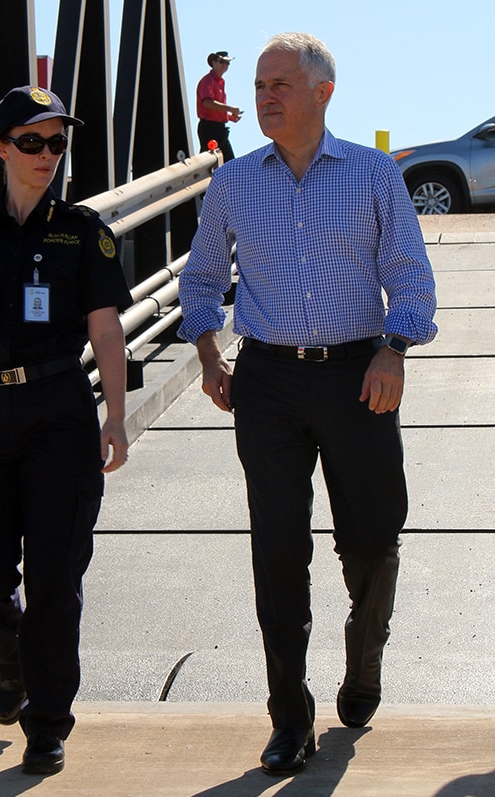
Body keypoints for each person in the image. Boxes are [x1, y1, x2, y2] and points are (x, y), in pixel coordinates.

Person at [179, 33, 437, 777]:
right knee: (277, 549)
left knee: (373, 536)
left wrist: (395, 345)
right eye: (259, 84)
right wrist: (206, 351)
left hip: (360, 374)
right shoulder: (233, 183)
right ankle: (288, 717)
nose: (264, 96)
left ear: (323, 92)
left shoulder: (371, 174)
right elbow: (199, 281)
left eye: (280, 84)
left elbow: (409, 275)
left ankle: (363, 658)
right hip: (265, 384)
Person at [0, 85, 132, 776]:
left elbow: (106, 330)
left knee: (55, 577)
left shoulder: (85, 230)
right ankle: (11, 664)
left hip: (59, 415)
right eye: (32, 142)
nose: (48, 155)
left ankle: (46, 723)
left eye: (58, 142)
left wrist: (116, 415)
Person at [196, 51, 243, 163]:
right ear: (214, 62)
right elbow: (207, 103)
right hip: (209, 128)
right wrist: (230, 109)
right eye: (222, 62)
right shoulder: (208, 80)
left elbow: (213, 109)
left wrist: (230, 117)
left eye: (227, 63)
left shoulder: (220, 82)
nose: (225, 65)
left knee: (229, 163)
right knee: (209, 163)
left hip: (218, 128)